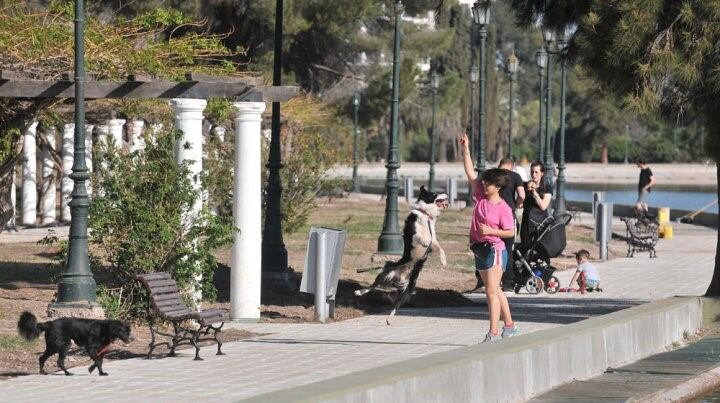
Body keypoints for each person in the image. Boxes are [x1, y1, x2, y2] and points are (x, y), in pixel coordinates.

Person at [459, 133, 518, 342]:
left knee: (491, 292)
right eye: (484, 182)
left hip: (495, 250)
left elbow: (510, 232)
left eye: (488, 183)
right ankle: (509, 326)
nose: (484, 185)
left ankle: (493, 333)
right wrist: (466, 149)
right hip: (480, 249)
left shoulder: (503, 208)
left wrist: (491, 231)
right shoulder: (481, 196)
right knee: (494, 290)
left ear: (498, 186)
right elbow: (469, 171)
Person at [473, 158, 525, 291]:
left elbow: (470, 174)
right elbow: (522, 195)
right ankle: (507, 284)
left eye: (487, 183)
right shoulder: (515, 176)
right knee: (508, 251)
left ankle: (484, 282)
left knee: (488, 249)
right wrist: (518, 204)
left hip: (493, 225)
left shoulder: (493, 178)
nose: (485, 184)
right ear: (512, 167)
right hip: (506, 219)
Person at [520, 161, 552, 246]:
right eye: (532, 172)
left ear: (542, 173)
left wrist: (534, 192)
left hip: (539, 224)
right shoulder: (526, 186)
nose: (533, 175)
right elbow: (520, 204)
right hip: (526, 223)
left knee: (537, 249)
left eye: (536, 172)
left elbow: (543, 206)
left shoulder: (547, 187)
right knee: (525, 247)